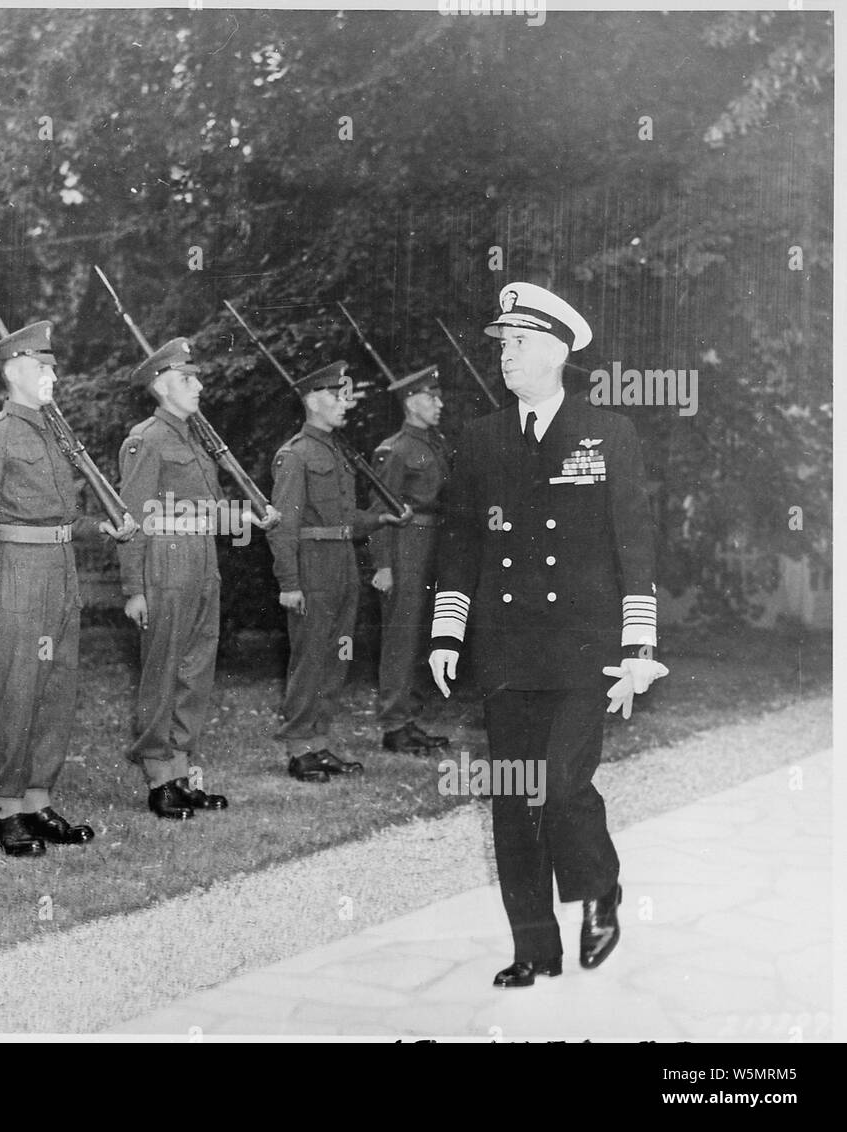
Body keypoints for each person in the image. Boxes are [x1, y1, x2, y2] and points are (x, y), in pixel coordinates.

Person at [430, 281, 667, 988]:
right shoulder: (481, 438)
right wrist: (448, 633)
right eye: (502, 344)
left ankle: (600, 889)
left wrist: (638, 651)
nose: (506, 355)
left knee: (562, 786)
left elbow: (636, 547)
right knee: (515, 802)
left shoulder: (609, 434)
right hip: (506, 648)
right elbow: (461, 542)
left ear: (560, 352)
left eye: (520, 343)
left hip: (583, 651)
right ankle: (534, 948)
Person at [0, 319, 135, 857]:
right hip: (18, 571)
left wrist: (97, 528)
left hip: (60, 569)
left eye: (53, 366)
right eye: (42, 367)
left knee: (57, 688)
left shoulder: (57, 435)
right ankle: (6, 806)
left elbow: (61, 516)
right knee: (18, 689)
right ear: (14, 372)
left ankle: (38, 798)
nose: (53, 374)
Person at [117, 337, 278, 819]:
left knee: (195, 669)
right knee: (163, 668)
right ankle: (158, 777)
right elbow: (135, 514)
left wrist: (245, 519)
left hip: (201, 557)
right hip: (165, 563)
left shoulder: (193, 436)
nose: (200, 385)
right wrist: (133, 588)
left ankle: (181, 771)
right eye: (190, 379)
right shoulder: (147, 438)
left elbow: (200, 510)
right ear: (164, 386)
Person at [267, 361, 412, 783]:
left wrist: (379, 521)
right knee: (310, 657)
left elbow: (346, 515)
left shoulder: (335, 450)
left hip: (343, 562)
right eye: (335, 395)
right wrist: (289, 583)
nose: (344, 402)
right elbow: (283, 525)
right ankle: (298, 748)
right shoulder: (295, 455)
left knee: (337, 655)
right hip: (312, 565)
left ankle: (320, 742)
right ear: (313, 400)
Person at [369, 365, 452, 754]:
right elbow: (379, 511)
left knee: (420, 635)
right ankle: (393, 724)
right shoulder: (395, 449)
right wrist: (383, 566)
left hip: (434, 542)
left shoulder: (435, 444)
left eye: (438, 396)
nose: (440, 403)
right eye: (431, 397)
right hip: (406, 546)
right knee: (401, 636)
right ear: (410, 402)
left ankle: (410, 718)